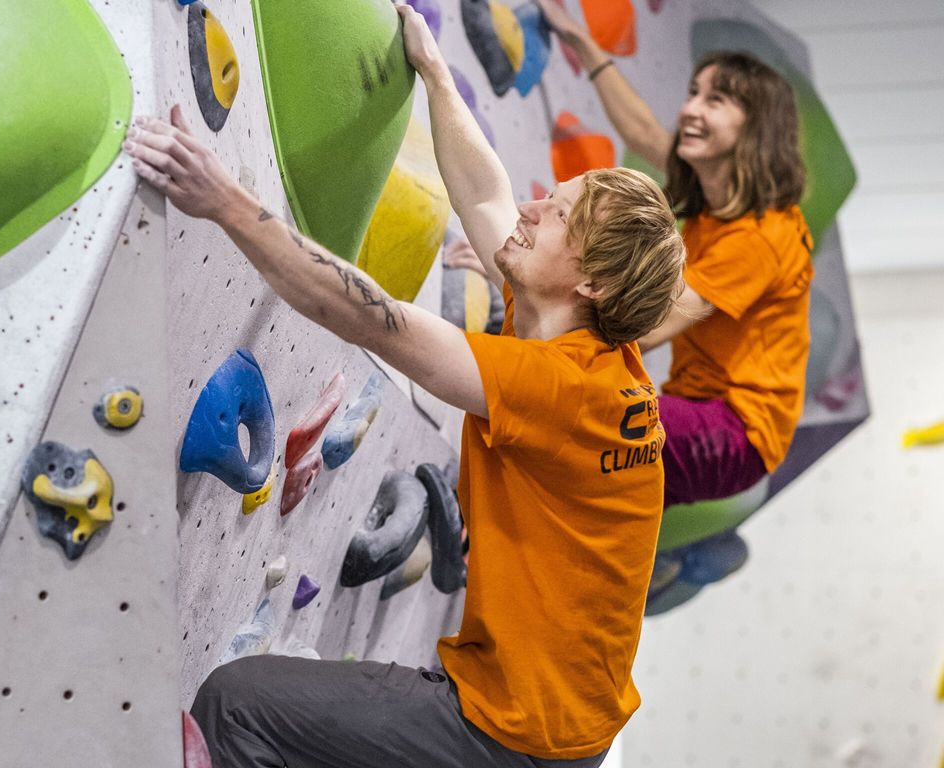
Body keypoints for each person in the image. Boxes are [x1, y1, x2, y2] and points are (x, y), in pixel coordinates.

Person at [125, 6, 684, 767]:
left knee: (239, 703)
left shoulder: (561, 387)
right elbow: (485, 195)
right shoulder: (580, 344)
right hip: (559, 731)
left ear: (589, 279)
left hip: (510, 738)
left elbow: (374, 321)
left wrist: (225, 200)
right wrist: (434, 74)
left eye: (555, 215)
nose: (529, 208)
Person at [537, 0, 813, 508]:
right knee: (578, 457)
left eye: (716, 101)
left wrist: (525, 292)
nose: (690, 110)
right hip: (699, 410)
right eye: (693, 94)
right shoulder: (716, 197)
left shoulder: (761, 236)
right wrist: (580, 40)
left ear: (755, 128)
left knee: (579, 412)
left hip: (737, 434)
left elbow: (647, 327)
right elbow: (643, 131)